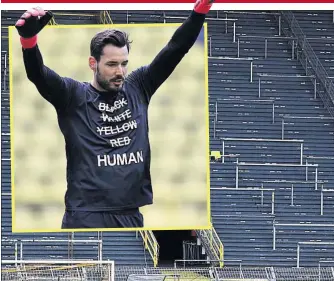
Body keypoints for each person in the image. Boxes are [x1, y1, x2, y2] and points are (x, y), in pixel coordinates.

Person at [14, 0, 215, 229]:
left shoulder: (139, 86)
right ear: (93, 63)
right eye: (111, 64)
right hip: (85, 216)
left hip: (131, 215)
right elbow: (38, 75)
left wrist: (199, 12)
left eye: (123, 64)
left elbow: (175, 49)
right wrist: (29, 42)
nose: (119, 72)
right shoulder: (73, 96)